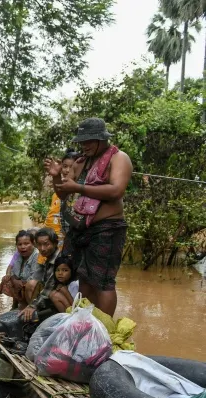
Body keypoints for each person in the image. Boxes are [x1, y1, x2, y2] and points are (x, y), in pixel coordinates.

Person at [45, 118, 132, 317]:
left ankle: (105, 329)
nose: (84, 146)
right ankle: (87, 322)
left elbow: (116, 191)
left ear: (102, 139)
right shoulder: (81, 162)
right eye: (82, 142)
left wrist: (78, 187)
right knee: (84, 277)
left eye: (89, 141)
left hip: (107, 228)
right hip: (81, 227)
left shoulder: (119, 158)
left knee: (103, 281)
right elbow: (63, 194)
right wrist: (57, 176)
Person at [19, 228, 60, 322]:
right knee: (32, 284)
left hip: (59, 298)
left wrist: (32, 306)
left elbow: (49, 289)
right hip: (51, 296)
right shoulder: (49, 258)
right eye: (39, 245)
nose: (42, 248)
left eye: (46, 244)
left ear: (55, 243)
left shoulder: (58, 261)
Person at [44, 149, 78, 249]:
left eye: (71, 167)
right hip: (67, 238)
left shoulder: (85, 187)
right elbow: (62, 194)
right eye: (65, 166)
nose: (67, 170)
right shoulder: (62, 189)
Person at [0, 230, 40, 309]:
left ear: (33, 244)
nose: (23, 247)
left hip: (32, 285)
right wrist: (11, 277)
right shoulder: (18, 253)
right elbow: (11, 268)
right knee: (6, 280)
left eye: (26, 244)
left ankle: (28, 305)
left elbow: (34, 277)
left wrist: (19, 282)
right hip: (20, 279)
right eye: (19, 244)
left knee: (27, 285)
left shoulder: (36, 255)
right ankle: (15, 304)